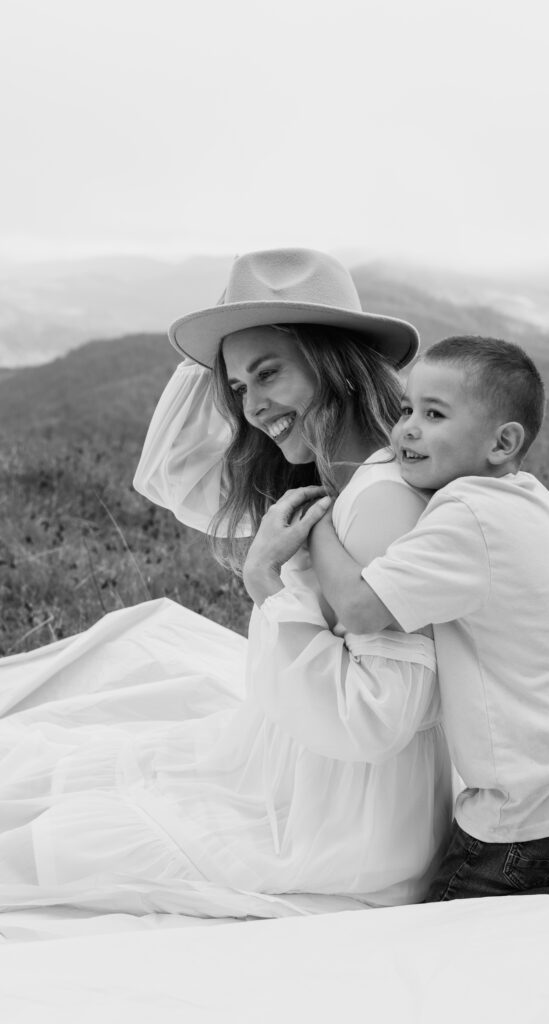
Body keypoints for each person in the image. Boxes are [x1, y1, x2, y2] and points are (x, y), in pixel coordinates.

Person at [0, 249, 451, 921]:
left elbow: (378, 723)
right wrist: (220, 346)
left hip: (349, 824)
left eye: (269, 373)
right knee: (59, 798)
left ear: (334, 359)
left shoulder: (381, 500)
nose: (252, 406)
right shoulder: (335, 479)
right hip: (313, 781)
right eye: (237, 389)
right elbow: (172, 474)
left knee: (63, 845)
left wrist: (268, 583)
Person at [265, 334, 549, 898]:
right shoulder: (526, 495)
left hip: (525, 806)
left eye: (434, 415)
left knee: (446, 926)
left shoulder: (466, 518)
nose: (407, 428)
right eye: (407, 408)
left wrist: (317, 527)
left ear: (502, 441)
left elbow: (360, 610)